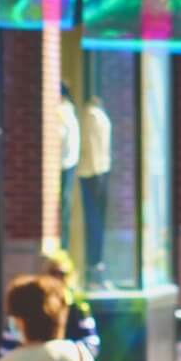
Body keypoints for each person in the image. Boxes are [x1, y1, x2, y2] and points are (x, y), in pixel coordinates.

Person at [79, 95, 114, 284]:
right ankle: (94, 267)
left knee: (96, 220)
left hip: (97, 171)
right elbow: (92, 144)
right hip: (94, 171)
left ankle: (96, 265)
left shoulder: (93, 115)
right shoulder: (92, 115)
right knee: (94, 220)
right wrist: (95, 170)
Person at [39, 250, 101, 357]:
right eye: (53, 273)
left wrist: (63, 352)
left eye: (62, 274)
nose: (58, 278)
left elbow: (92, 344)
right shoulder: (36, 305)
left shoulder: (78, 306)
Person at [57, 82, 81, 250]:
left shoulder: (62, 113)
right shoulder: (70, 112)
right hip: (69, 163)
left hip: (63, 164)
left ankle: (62, 248)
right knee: (65, 209)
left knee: (63, 209)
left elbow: (60, 137)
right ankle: (63, 247)